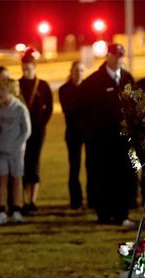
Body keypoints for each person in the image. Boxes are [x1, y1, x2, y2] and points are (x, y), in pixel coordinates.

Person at [79, 43, 136, 226]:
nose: (119, 58)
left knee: (124, 176)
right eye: (115, 55)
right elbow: (87, 113)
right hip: (102, 141)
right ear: (108, 56)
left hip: (123, 140)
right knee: (103, 177)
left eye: (121, 55)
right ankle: (104, 214)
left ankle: (122, 214)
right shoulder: (93, 82)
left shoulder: (127, 79)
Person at [0, 77, 31, 225]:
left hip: (16, 152)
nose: (0, 93)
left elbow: (26, 130)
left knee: (16, 180)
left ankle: (16, 209)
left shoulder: (20, 108)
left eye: (4, 90)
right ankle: (2, 210)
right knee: (2, 180)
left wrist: (18, 145)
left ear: (12, 91)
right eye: (0, 90)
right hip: (1, 151)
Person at [18, 48, 53, 214]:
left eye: (30, 64)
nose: (27, 67)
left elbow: (50, 108)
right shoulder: (17, 85)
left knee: (35, 163)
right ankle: (24, 200)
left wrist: (42, 123)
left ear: (34, 65)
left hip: (38, 131)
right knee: (23, 164)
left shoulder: (43, 85)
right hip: (21, 132)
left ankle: (33, 200)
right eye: (24, 64)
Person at [58, 61, 86, 210]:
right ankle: (76, 201)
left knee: (92, 166)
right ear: (71, 71)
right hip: (73, 133)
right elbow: (68, 109)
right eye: (76, 70)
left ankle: (92, 199)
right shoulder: (64, 89)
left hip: (88, 133)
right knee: (74, 168)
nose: (79, 73)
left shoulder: (88, 87)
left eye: (81, 70)